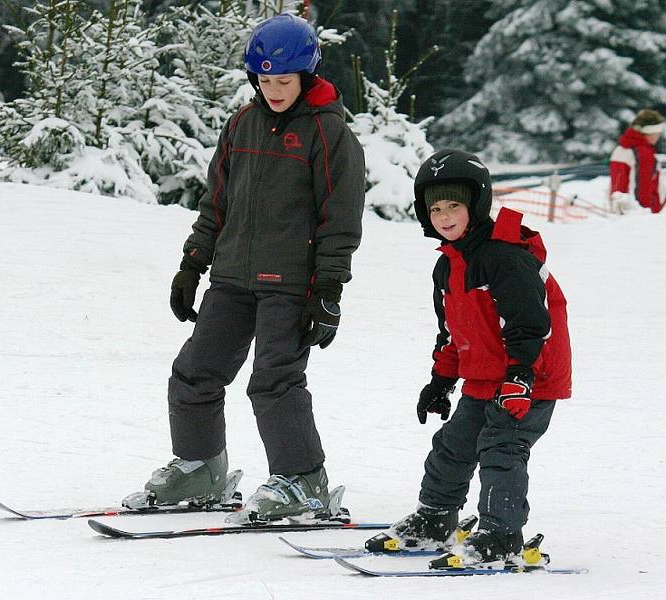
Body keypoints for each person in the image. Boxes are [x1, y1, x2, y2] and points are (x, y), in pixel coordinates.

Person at [122, 13, 365, 523]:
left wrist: (327, 290)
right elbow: (217, 204)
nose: (272, 90)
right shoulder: (242, 124)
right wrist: (192, 266)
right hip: (231, 278)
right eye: (264, 80)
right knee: (194, 373)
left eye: (283, 81)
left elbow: (339, 220)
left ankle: (303, 482)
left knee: (274, 382)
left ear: (307, 76)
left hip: (292, 284)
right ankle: (200, 467)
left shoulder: (329, 133)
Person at [363, 149, 572, 568]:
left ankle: (501, 536)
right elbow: (454, 333)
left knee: (501, 448)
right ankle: (437, 518)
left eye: (454, 205)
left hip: (530, 378)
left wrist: (520, 376)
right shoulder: (448, 266)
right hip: (485, 377)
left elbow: (532, 324)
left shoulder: (505, 256)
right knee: (453, 446)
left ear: (476, 204)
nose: (444, 216)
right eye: (434, 208)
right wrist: (441, 382)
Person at [609, 109, 665, 214]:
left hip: (622, 209)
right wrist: (647, 213)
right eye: (657, 133)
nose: (658, 137)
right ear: (650, 132)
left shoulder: (621, 148)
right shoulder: (643, 153)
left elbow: (617, 184)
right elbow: (644, 186)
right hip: (640, 213)